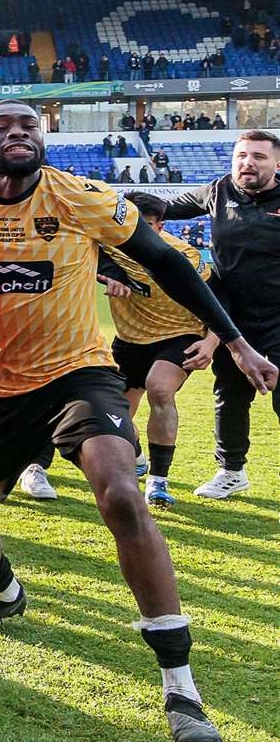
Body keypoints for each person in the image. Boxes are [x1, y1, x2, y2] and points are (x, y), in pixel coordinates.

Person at [0, 99, 274, 742]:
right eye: (2, 126)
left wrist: (234, 342)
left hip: (79, 373)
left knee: (121, 494)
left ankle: (181, 688)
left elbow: (169, 264)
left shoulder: (83, 197)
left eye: (30, 125)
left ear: (45, 137)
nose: (19, 133)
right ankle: (5, 595)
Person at [162, 130, 280, 500]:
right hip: (232, 319)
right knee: (229, 395)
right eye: (242, 155)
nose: (248, 163)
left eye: (259, 157)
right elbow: (163, 208)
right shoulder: (219, 190)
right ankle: (231, 471)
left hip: (279, 317)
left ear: (277, 164)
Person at [99, 192, 217, 508]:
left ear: (162, 226)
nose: (138, 232)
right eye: (132, 223)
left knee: (160, 389)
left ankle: (158, 482)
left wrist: (211, 342)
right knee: (115, 411)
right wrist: (110, 271)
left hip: (180, 334)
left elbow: (218, 301)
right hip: (130, 340)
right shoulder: (110, 244)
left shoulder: (186, 256)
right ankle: (137, 457)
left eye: (147, 225)